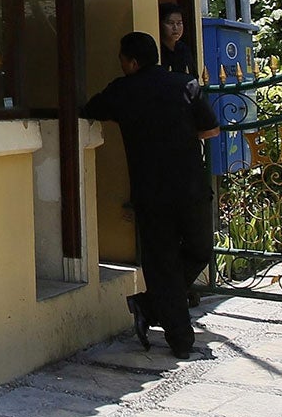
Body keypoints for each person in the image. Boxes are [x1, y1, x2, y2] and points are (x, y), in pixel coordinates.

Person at [82, 31, 220, 358]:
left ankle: (153, 308)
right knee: (199, 251)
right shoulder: (185, 85)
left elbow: (90, 109)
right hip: (190, 186)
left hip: (152, 191)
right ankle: (178, 336)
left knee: (163, 264)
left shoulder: (123, 91)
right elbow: (212, 130)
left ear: (130, 62)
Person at [158, 2, 195, 76]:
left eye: (179, 23)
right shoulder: (157, 49)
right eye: (170, 23)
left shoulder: (183, 49)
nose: (175, 28)